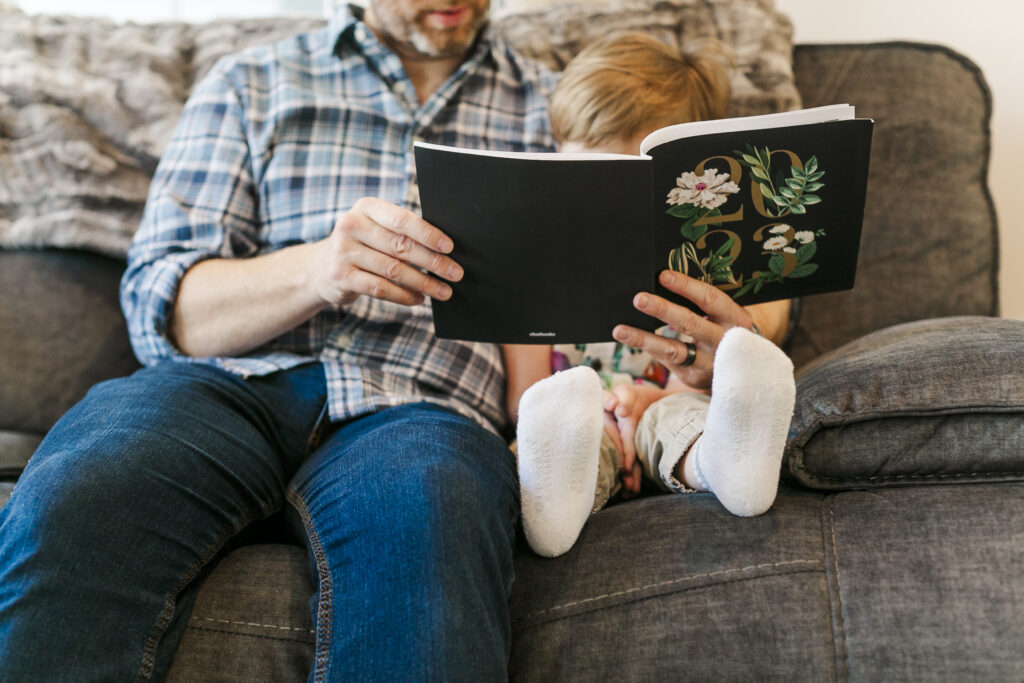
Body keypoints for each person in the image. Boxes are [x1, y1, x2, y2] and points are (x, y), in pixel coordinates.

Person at [0, 2, 556, 680]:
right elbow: (164, 309)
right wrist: (320, 268)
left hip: (422, 404)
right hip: (227, 385)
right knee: (81, 492)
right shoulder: (250, 82)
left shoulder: (554, 106)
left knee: (429, 520)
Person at [502, 33, 798, 558]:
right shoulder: (535, 265)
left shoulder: (709, 257)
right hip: (577, 419)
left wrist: (648, 401)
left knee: (687, 421)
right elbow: (524, 398)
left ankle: (729, 467)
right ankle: (551, 510)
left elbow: (743, 339)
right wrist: (604, 412)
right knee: (554, 441)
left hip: (672, 400)